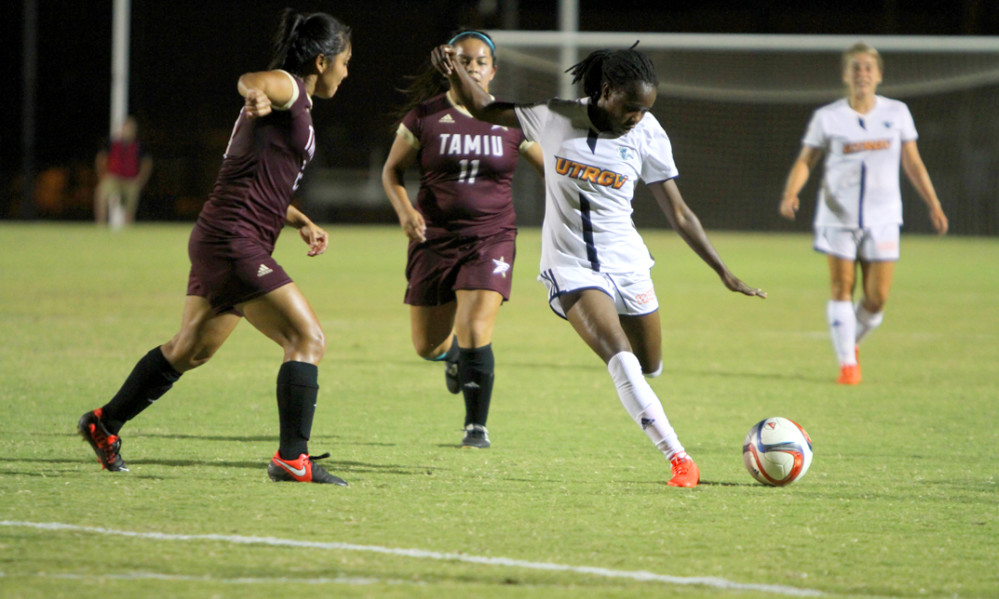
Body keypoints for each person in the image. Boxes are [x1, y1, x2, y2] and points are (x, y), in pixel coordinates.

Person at [432, 42, 766, 487]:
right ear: (606, 91)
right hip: (570, 267)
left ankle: (648, 398)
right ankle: (680, 460)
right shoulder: (555, 117)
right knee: (622, 360)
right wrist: (455, 70)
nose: (637, 117)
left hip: (627, 263)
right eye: (631, 107)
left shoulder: (647, 132)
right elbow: (485, 107)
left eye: (645, 109)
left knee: (649, 364)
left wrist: (722, 270)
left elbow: (680, 213)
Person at [78, 10, 352, 486]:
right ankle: (293, 459)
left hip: (222, 234)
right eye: (347, 62)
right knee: (306, 341)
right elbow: (252, 78)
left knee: (192, 349)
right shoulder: (288, 86)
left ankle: (104, 424)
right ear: (323, 61)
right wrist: (257, 92)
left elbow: (260, 184)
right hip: (233, 240)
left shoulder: (299, 106)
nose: (349, 72)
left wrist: (299, 219)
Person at [382, 30, 544, 449]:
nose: (473, 67)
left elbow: (554, 172)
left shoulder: (511, 118)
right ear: (448, 65)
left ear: (494, 70)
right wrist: (406, 213)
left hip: (491, 237)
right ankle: (453, 357)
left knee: (474, 326)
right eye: (464, 59)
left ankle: (476, 426)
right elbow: (392, 171)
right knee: (427, 345)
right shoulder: (425, 116)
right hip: (434, 239)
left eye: (481, 61)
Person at [779, 42, 948, 385]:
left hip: (884, 215)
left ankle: (849, 344)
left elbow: (913, 163)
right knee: (842, 285)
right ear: (846, 74)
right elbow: (806, 160)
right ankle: (847, 365)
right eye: (855, 67)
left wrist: (934, 203)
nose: (862, 74)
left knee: (877, 299)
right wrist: (791, 192)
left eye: (868, 67)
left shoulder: (897, 113)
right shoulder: (828, 117)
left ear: (879, 75)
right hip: (836, 215)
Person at [94, 116, 153, 226]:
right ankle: (100, 226)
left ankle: (127, 229)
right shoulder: (112, 142)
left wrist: (141, 179)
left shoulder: (139, 145)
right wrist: (102, 175)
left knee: (131, 202)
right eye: (125, 128)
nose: (127, 131)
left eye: (130, 129)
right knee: (101, 193)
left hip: (131, 180)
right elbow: (101, 157)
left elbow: (147, 163)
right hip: (113, 177)